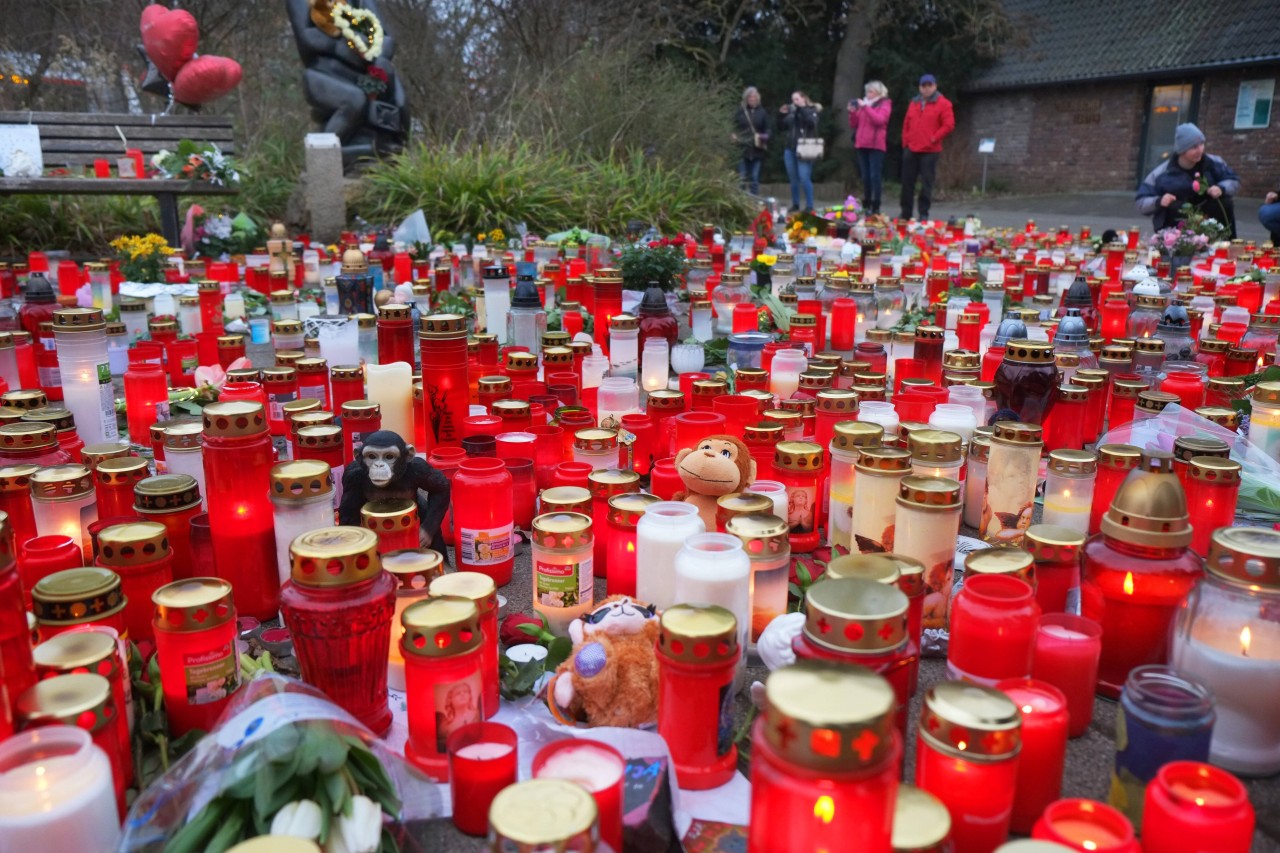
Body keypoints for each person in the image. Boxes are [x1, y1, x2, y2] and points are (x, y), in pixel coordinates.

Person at [1136, 123, 1241, 238]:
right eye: (1194, 147)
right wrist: (1159, 201)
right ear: (1182, 151)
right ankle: (1176, 245)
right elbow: (1141, 201)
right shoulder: (1161, 173)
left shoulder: (1214, 163)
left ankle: (1225, 242)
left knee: (1224, 202)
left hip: (1210, 215)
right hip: (1179, 222)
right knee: (1173, 206)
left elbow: (1233, 180)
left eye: (1201, 144)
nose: (1200, 150)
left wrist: (1221, 188)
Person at [899, 74, 955, 221]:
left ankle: (923, 213)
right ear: (920, 87)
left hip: (930, 150)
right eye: (924, 85)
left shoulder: (944, 104)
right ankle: (905, 213)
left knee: (926, 183)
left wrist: (934, 138)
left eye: (929, 85)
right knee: (906, 182)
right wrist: (906, 141)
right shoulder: (913, 103)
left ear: (935, 86)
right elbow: (906, 124)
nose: (926, 88)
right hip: (911, 148)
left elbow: (948, 125)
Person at [847, 80, 892, 215]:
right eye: (867, 91)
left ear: (879, 92)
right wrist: (852, 112)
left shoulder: (885, 104)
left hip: (876, 145)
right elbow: (854, 124)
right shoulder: (864, 105)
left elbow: (879, 120)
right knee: (865, 177)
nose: (868, 94)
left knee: (874, 176)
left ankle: (876, 204)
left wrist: (865, 107)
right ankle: (866, 203)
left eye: (871, 91)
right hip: (862, 144)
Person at [779, 91, 822, 214]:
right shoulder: (792, 112)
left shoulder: (812, 110)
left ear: (804, 98)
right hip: (790, 148)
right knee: (793, 178)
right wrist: (781, 114)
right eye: (793, 99)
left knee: (804, 177)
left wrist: (801, 109)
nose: (794, 102)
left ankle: (809, 205)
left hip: (805, 148)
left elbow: (811, 122)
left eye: (797, 99)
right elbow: (781, 127)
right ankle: (795, 203)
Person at [733, 87, 771, 196]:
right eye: (750, 97)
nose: (752, 99)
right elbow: (732, 125)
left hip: (757, 148)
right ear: (746, 98)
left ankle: (755, 200)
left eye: (754, 97)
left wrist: (766, 136)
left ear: (758, 98)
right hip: (742, 147)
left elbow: (768, 128)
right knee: (742, 177)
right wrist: (732, 134)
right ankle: (741, 200)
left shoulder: (762, 112)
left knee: (755, 177)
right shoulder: (740, 111)